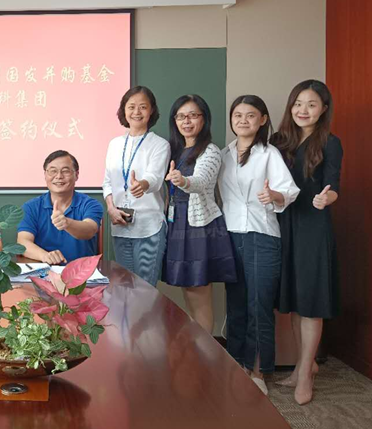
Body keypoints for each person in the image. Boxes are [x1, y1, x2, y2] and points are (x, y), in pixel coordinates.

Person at [218, 95, 299, 396]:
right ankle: (236, 365)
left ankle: (258, 370)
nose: (243, 120)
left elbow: (288, 191)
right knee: (236, 305)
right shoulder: (224, 154)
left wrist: (274, 196)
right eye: (237, 115)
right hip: (230, 235)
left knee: (259, 306)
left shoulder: (269, 154)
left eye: (250, 115)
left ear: (263, 120)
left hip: (262, 235)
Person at [270, 80, 343, 405]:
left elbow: (334, 184)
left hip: (313, 226)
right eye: (298, 103)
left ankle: (304, 376)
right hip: (284, 224)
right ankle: (305, 365)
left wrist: (327, 199)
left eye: (312, 104)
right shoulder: (279, 141)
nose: (303, 110)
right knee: (295, 298)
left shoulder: (330, 142)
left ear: (323, 109)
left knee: (311, 300)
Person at [163, 95, 237, 334]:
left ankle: (207, 352)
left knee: (199, 291)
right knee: (188, 289)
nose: (187, 121)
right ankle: (197, 348)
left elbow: (202, 181)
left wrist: (183, 180)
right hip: (177, 221)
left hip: (198, 223)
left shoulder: (210, 151)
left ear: (204, 119)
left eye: (193, 115)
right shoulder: (174, 150)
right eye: (181, 116)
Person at [103, 86, 171, 286]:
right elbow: (107, 182)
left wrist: (142, 184)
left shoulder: (160, 144)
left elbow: (155, 177)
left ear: (152, 110)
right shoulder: (114, 144)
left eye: (143, 107)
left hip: (149, 226)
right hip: (120, 224)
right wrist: (111, 208)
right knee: (124, 287)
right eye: (131, 106)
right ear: (123, 110)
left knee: (144, 289)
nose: (137, 112)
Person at [17, 150, 103, 264]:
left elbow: (90, 230)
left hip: (82, 271)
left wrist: (67, 223)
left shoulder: (90, 204)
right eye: (53, 171)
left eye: (65, 171)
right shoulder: (31, 207)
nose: (59, 176)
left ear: (76, 175)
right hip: (44, 270)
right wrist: (45, 256)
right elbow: (23, 242)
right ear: (45, 175)